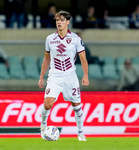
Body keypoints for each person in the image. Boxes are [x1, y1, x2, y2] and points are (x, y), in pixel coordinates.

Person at [38, 10, 89, 141]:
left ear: (68, 22)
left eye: (61, 20)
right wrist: (41, 76)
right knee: (47, 104)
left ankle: (80, 132)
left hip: (70, 76)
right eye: (57, 20)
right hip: (54, 75)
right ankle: (43, 125)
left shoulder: (76, 39)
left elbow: (83, 58)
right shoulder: (50, 39)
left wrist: (85, 75)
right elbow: (46, 59)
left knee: (77, 106)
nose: (59, 22)